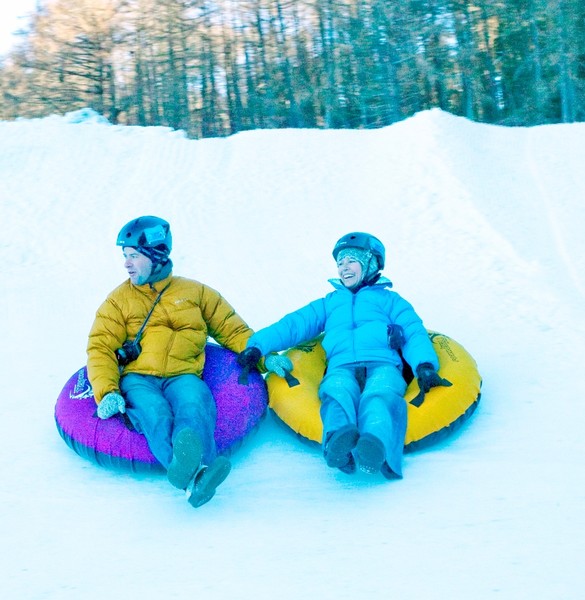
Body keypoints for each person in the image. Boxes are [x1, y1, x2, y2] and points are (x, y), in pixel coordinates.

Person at [238, 232, 451, 479]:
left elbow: (414, 332)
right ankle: (337, 442)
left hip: (383, 364)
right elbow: (293, 325)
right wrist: (258, 346)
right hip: (341, 366)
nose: (343, 268)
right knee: (336, 392)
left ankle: (374, 446)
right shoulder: (329, 303)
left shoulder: (391, 301)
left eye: (350, 260)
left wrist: (424, 365)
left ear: (371, 262)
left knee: (380, 395)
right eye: (339, 263)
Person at [87, 216, 254, 508]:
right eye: (125, 256)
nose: (127, 264)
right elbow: (100, 347)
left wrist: (263, 357)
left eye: (134, 256)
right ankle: (196, 475)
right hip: (138, 377)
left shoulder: (197, 293)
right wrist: (108, 391)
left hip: (183, 374)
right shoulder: (118, 301)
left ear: (156, 255)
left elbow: (234, 330)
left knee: (195, 403)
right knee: (155, 412)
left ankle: (192, 470)